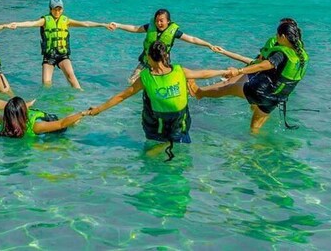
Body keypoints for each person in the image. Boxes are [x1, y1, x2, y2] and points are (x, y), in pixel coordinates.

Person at [86, 41, 238, 159]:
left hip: (172, 121)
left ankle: (165, 148)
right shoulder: (159, 74)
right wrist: (98, 109)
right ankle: (166, 148)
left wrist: (99, 109)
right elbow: (203, 73)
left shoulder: (167, 72)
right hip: (163, 121)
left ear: (150, 57)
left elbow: (122, 95)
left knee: (165, 151)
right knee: (165, 149)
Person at [189, 18, 309, 134]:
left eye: (277, 35)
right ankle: (257, 149)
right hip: (277, 98)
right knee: (255, 129)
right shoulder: (301, 56)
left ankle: (200, 93)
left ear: (283, 37)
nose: (276, 37)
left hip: (261, 92)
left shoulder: (281, 53)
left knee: (228, 88)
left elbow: (263, 65)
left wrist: (239, 71)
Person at [4, 0, 112, 89]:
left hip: (62, 55)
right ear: (50, 9)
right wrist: (17, 24)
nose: (57, 12)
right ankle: (48, 102)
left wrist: (103, 24)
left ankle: (80, 96)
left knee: (71, 76)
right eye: (55, 9)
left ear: (62, 9)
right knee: (46, 83)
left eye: (60, 9)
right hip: (49, 55)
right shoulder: (45, 20)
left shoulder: (66, 20)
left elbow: (85, 24)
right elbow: (31, 23)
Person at [109, 8, 218, 83]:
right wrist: (118, 25)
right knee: (131, 81)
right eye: (157, 21)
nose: (159, 23)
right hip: (146, 61)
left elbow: (192, 39)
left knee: (163, 83)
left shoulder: (174, 32)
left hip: (162, 64)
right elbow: (134, 28)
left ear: (168, 21)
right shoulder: (150, 27)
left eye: (161, 21)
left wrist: (208, 45)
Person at [0, 95, 88, 138]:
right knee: (72, 119)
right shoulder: (35, 126)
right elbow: (61, 124)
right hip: (54, 129)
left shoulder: (5, 122)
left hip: (34, 121)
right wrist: (82, 113)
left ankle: (28, 104)